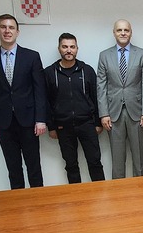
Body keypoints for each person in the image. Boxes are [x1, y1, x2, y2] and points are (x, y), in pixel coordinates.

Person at [0, 13, 46, 189]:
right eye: (3, 27)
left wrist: (41, 119)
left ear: (17, 32)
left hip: (28, 121)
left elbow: (39, 90)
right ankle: (18, 203)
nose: (7, 31)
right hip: (3, 122)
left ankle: (38, 200)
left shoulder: (31, 56)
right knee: (13, 168)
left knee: (34, 166)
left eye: (11, 27)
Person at [44, 33, 105, 184]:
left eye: (72, 47)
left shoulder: (87, 70)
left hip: (87, 124)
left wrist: (97, 122)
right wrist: (51, 127)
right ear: (59, 49)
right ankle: (76, 196)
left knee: (95, 162)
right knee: (71, 165)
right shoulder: (49, 73)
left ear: (77, 49)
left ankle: (102, 195)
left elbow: (96, 97)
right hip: (63, 126)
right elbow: (46, 102)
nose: (68, 50)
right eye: (65, 47)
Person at [97, 19, 143, 179]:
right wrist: (104, 114)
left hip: (137, 113)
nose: (123, 33)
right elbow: (101, 86)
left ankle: (141, 188)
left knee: (139, 159)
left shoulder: (142, 54)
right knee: (117, 160)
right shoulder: (104, 55)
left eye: (126, 30)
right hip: (113, 114)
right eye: (119, 30)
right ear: (114, 33)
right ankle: (117, 191)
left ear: (131, 33)